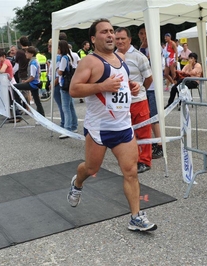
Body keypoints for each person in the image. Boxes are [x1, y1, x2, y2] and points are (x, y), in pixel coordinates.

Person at [68, 18, 157, 232]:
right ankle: (77, 183)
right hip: (99, 128)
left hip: (123, 127)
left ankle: (135, 217)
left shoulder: (121, 57)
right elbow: (74, 89)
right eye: (104, 32)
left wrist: (132, 86)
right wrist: (102, 86)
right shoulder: (89, 62)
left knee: (130, 171)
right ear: (93, 38)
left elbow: (121, 83)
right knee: (91, 168)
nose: (110, 35)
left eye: (111, 31)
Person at [115, 27, 153, 173]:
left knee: (143, 132)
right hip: (121, 103)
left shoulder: (139, 57)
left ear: (129, 40)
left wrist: (141, 89)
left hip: (138, 101)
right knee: (126, 132)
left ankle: (145, 161)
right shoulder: (113, 56)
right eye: (117, 39)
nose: (119, 41)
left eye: (123, 38)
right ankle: (132, 158)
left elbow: (149, 78)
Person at [138, 25, 163, 159]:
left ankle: (160, 144)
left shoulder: (155, 47)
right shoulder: (142, 48)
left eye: (145, 33)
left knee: (154, 117)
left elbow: (147, 64)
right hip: (146, 86)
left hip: (153, 86)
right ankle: (155, 141)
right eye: (141, 34)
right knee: (149, 117)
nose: (143, 36)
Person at [13, 46, 45, 117]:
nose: (25, 54)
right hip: (36, 83)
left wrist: (25, 82)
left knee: (14, 87)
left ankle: (19, 105)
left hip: (33, 84)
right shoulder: (35, 61)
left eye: (27, 53)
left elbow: (32, 77)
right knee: (37, 101)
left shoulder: (32, 63)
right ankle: (42, 115)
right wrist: (27, 80)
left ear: (32, 54)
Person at [57, 40, 78, 139]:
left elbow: (60, 72)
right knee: (70, 106)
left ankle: (67, 128)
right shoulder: (70, 56)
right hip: (70, 82)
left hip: (65, 84)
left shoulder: (64, 58)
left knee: (66, 107)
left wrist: (56, 69)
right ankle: (74, 125)